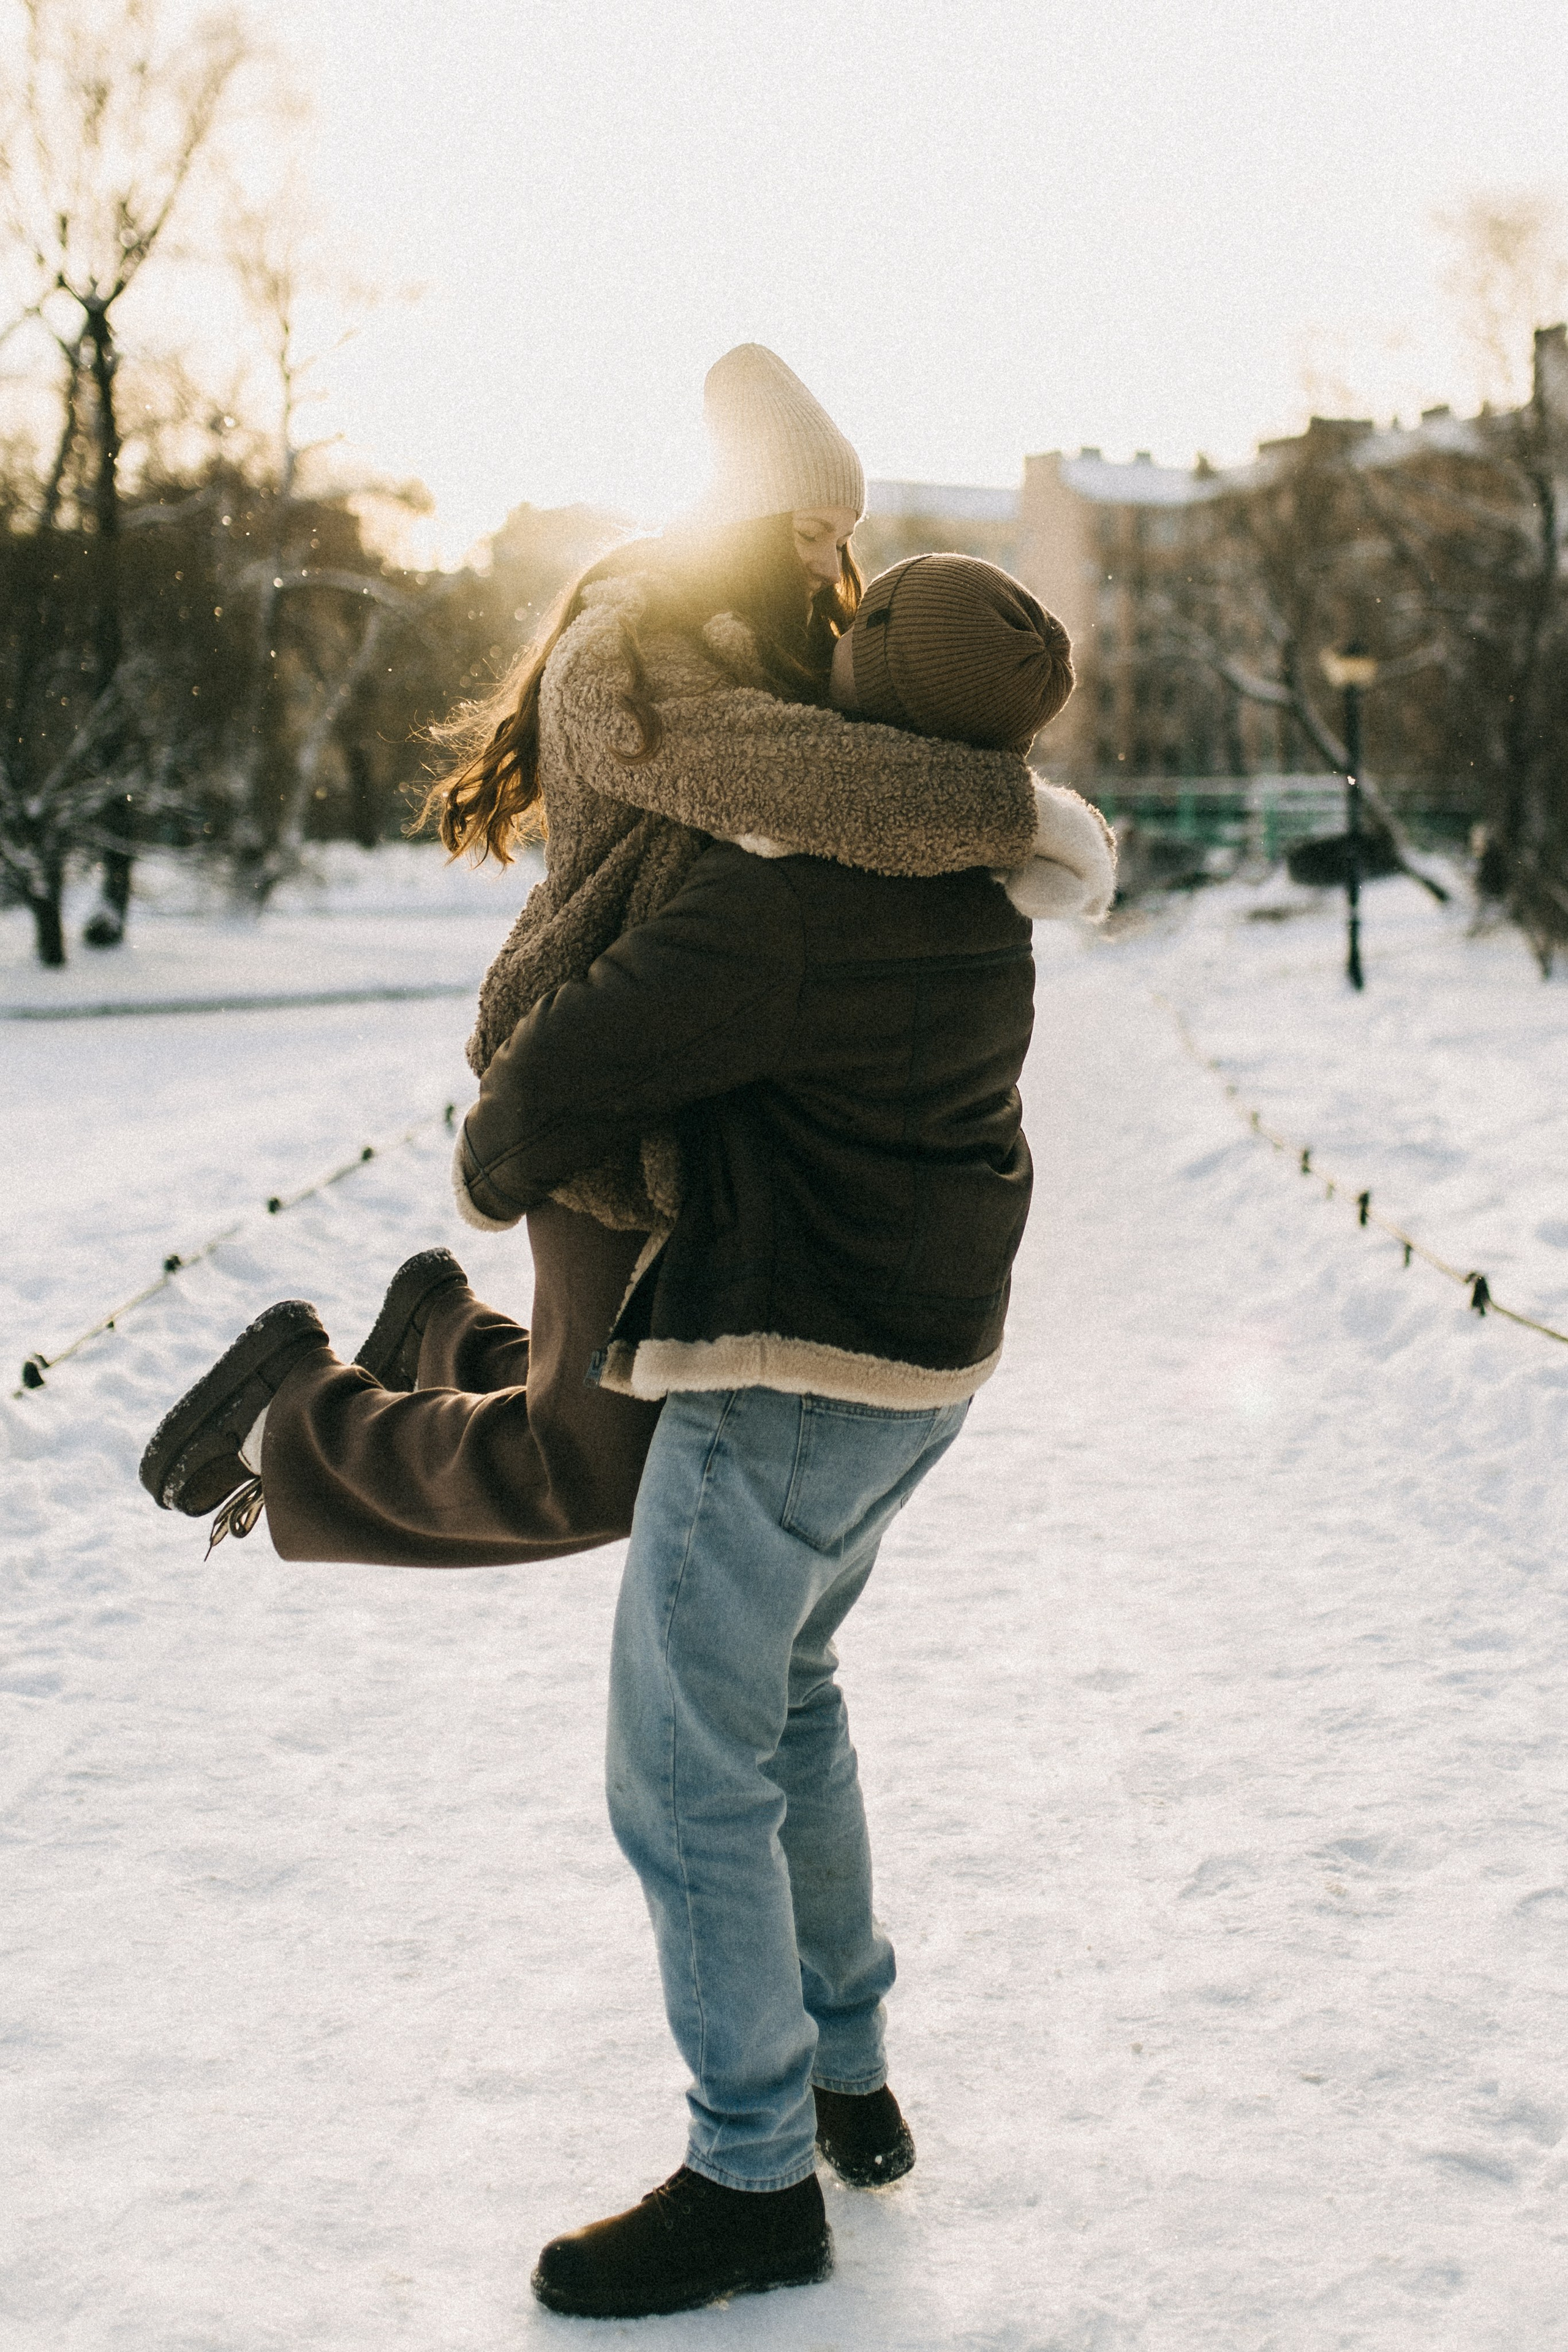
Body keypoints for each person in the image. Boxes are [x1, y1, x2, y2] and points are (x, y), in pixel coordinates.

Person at [137, 351, 1114, 2322]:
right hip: (919, 1377)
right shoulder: (971, 888)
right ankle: (846, 2072)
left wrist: (498, 1161)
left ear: (866, 705)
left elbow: (582, 1059)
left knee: (681, 1771)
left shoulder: (782, 888)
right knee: (790, 1701)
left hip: (789, 1365)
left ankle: (751, 2175)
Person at [140, 350, 1106, 1569]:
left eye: (841, 535)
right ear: (745, 518)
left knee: (628, 1409)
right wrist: (1023, 819)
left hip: (697, 1081)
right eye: (809, 527)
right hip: (596, 1064)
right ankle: (290, 1410)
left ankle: (436, 1329)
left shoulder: (767, 648)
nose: (826, 561)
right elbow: (796, 779)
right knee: (589, 1477)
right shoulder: (629, 657)